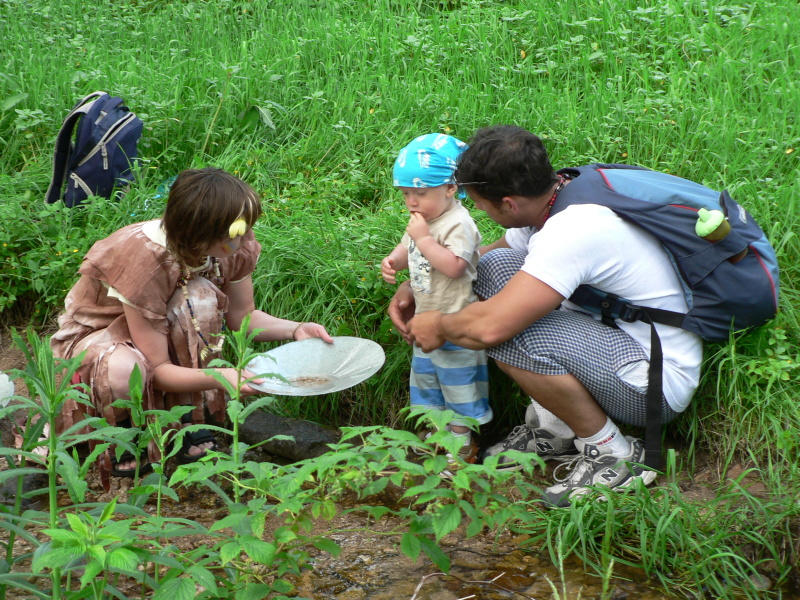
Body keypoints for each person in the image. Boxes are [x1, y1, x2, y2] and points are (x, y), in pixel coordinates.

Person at [390, 126, 702, 506]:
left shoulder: (571, 232)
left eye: (480, 203)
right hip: (615, 343)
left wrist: (437, 324)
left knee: (508, 333)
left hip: (651, 386)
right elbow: (486, 259)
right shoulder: (558, 196)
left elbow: (490, 328)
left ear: (508, 203)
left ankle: (613, 453)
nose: (479, 211)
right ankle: (556, 428)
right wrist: (420, 282)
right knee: (496, 271)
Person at [51, 167, 333, 477]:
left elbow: (243, 317)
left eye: (248, 228)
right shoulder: (145, 260)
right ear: (197, 234)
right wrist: (222, 377)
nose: (246, 240)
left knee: (198, 295)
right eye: (236, 233)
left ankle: (186, 417)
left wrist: (294, 329)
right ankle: (125, 431)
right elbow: (157, 369)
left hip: (162, 328)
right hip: (101, 337)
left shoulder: (230, 248)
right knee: (124, 370)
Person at [381, 133, 490, 463]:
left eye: (421, 193)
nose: (412, 201)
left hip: (456, 322)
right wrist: (394, 261)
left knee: (458, 386)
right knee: (428, 383)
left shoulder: (459, 223)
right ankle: (436, 433)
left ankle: (461, 444)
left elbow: (455, 267)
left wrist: (424, 240)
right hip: (425, 320)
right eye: (406, 194)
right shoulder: (423, 221)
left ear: (450, 188)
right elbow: (408, 246)